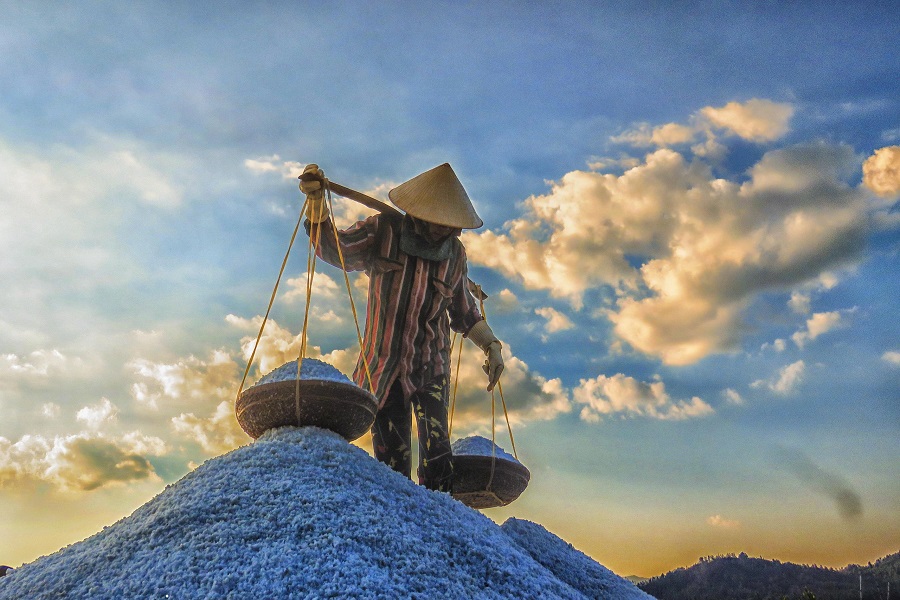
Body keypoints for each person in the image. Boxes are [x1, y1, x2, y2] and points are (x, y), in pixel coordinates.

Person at [300, 162, 503, 493]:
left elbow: (464, 310)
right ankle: (397, 521)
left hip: (431, 366)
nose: (447, 231)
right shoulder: (382, 231)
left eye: (452, 226)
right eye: (439, 223)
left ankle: (439, 522)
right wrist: (317, 204)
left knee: (439, 458)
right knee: (391, 462)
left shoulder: (454, 256)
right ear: (420, 215)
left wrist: (492, 346)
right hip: (384, 368)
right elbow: (336, 250)